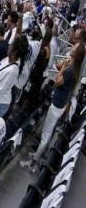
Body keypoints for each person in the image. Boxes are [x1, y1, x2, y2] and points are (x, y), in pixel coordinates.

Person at [20, 37, 83, 172]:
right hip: (59, 103)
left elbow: (58, 81)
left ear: (76, 54)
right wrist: (63, 65)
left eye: (75, 46)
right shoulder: (73, 66)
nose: (72, 46)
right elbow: (60, 70)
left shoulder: (71, 69)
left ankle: (33, 163)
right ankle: (38, 155)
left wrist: (64, 67)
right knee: (46, 133)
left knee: (46, 135)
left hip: (57, 105)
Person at [0, 36, 23, 118]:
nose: (8, 47)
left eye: (11, 46)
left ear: (15, 52)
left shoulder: (12, 71)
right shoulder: (7, 59)